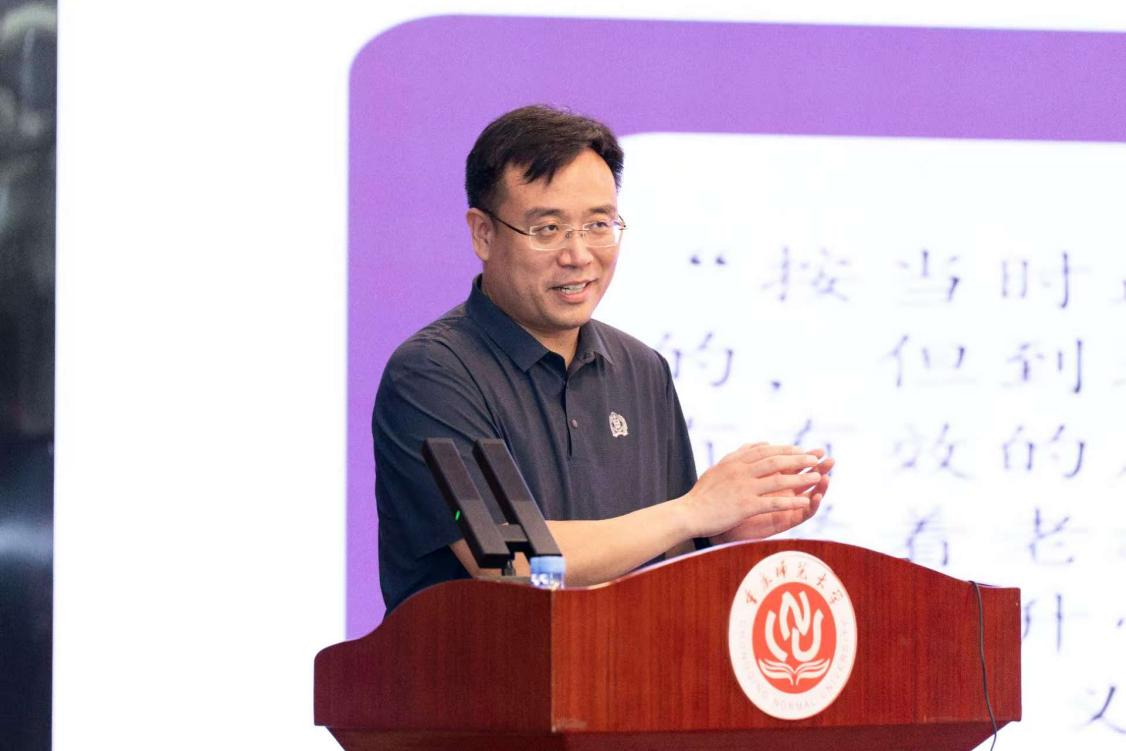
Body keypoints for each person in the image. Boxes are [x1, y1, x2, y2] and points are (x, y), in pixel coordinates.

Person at [373, 105, 832, 613]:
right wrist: (693, 512)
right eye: (548, 229)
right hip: (482, 663)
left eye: (598, 224)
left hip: (621, 662)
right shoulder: (434, 373)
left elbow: (663, 553)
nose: (578, 255)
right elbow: (512, 559)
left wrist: (718, 533)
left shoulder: (642, 370)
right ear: (483, 233)